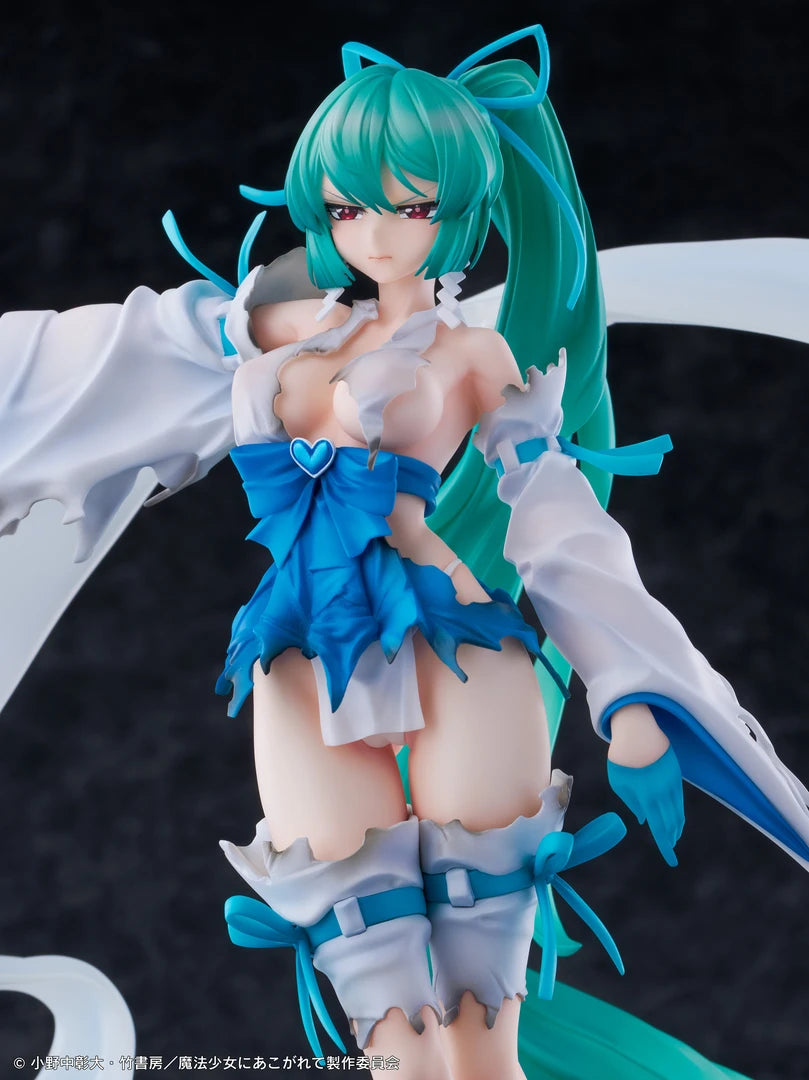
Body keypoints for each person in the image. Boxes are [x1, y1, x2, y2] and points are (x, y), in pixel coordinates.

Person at [2, 26, 808, 1080]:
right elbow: (110, 372)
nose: (377, 234)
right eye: (349, 208)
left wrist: (629, 697)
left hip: (452, 645)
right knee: (387, 1021)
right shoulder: (270, 343)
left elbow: (557, 518)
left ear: (456, 213)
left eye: (410, 207)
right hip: (300, 661)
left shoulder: (473, 356)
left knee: (478, 1028)